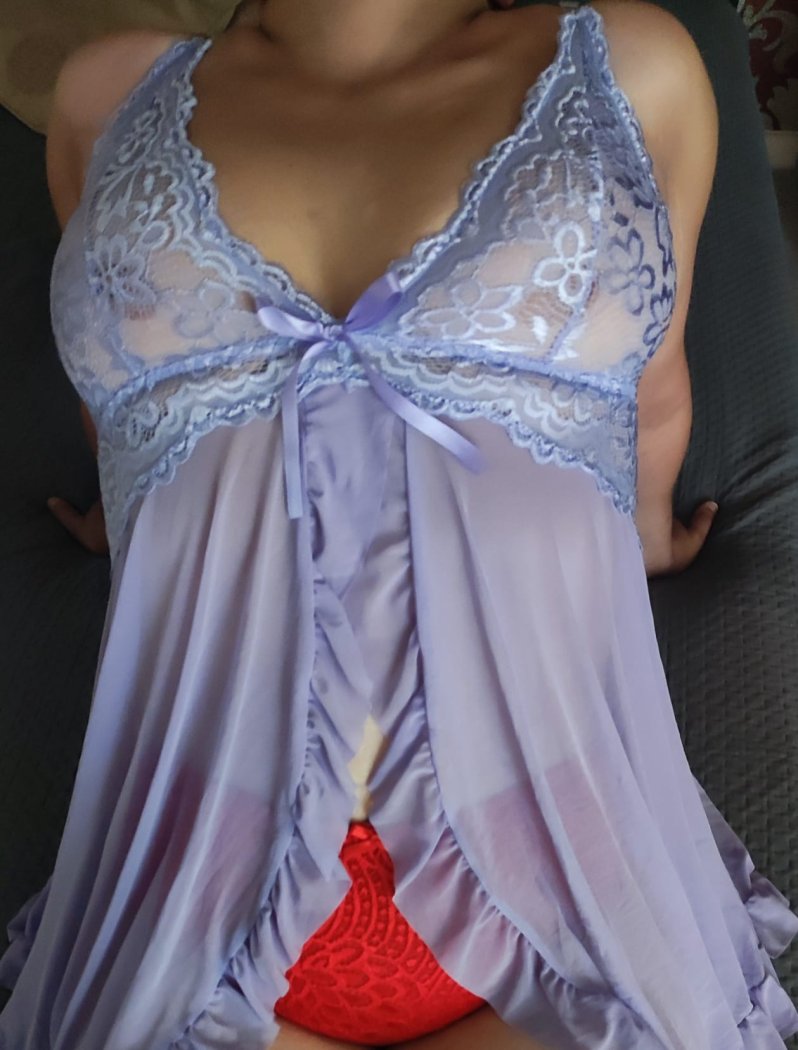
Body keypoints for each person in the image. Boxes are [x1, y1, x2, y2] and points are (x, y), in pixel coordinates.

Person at [3, 1, 798, 1048]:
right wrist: (131, 516)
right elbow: (116, 419)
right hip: (195, 870)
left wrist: (645, 529)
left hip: (557, 866)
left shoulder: (627, 64)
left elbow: (650, 393)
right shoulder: (105, 97)